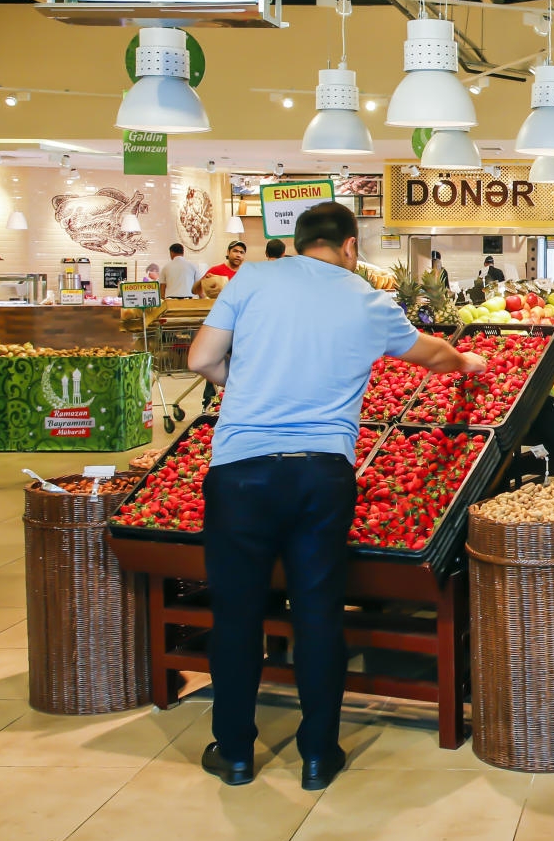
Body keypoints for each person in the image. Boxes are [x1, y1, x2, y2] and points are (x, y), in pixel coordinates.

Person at [186, 202, 485, 792]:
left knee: (237, 614)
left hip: (240, 474)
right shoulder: (367, 299)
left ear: (297, 243)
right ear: (350, 247)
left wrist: (240, 381)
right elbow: (433, 355)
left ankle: (237, 754)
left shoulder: (251, 277)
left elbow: (200, 359)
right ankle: (319, 755)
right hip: (322, 474)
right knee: (319, 611)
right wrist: (466, 361)